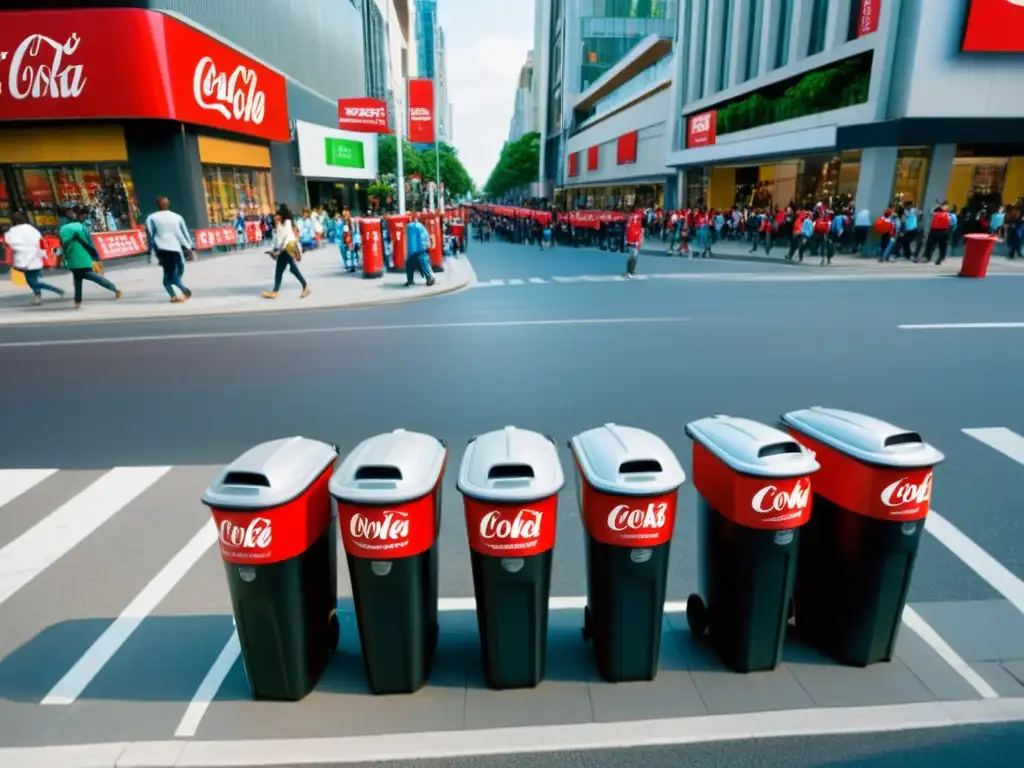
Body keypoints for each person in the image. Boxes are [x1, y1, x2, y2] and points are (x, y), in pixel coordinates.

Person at [58, 206, 121, 309]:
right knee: (95, 277)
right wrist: (96, 258)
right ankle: (114, 289)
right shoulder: (82, 227)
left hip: (71, 260)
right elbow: (90, 244)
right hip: (83, 258)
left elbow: (62, 244)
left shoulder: (62, 229)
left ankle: (77, 302)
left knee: (77, 280)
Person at [5, 212, 65, 304]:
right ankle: (38, 299)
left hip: (24, 259)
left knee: (32, 282)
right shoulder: (32, 229)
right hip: (36, 257)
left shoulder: (13, 231)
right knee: (34, 280)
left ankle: (57, 290)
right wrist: (42, 254)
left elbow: (10, 242)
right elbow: (40, 242)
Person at [145, 196, 194, 303]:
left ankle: (184, 290)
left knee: (170, 274)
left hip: (162, 249)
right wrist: (189, 247)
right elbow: (180, 234)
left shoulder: (152, 218)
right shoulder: (177, 217)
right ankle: (173, 296)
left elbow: (150, 235)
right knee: (170, 274)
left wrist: (150, 252)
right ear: (169, 204)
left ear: (157, 205)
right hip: (175, 249)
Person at [263, 205, 310, 299]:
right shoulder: (279, 224)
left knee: (292, 268)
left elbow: (286, 237)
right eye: (275, 214)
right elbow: (278, 239)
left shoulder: (287, 223)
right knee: (280, 270)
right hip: (282, 250)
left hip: (288, 248)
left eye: (278, 214)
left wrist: (279, 250)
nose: (276, 216)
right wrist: (274, 250)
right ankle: (275, 291)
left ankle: (305, 286)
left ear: (282, 215)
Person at [405, 215, 436, 287]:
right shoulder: (422, 228)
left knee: (409, 265)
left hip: (412, 253)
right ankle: (429, 277)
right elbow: (426, 239)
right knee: (424, 262)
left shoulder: (410, 227)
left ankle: (410, 280)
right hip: (421, 252)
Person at [623, 212, 644, 278]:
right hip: (631, 243)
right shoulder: (629, 225)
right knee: (632, 257)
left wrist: (640, 242)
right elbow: (626, 234)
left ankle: (631, 271)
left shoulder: (639, 225)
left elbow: (640, 235)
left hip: (636, 243)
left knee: (634, 257)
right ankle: (629, 271)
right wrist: (626, 242)